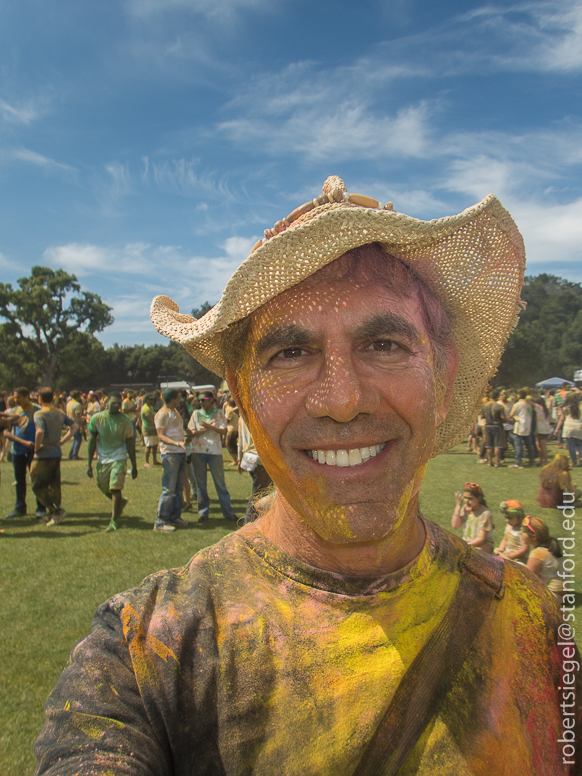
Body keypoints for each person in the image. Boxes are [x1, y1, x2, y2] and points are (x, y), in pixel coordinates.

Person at [36, 177, 581, 774]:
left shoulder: (531, 619)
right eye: (290, 354)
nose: (342, 400)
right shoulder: (149, 652)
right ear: (240, 395)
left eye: (383, 342)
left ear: (445, 379)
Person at [87, 393, 138, 532]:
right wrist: (88, 463)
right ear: (105, 404)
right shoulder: (97, 418)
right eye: (113, 403)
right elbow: (92, 441)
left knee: (115, 488)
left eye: (118, 404)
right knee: (102, 485)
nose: (116, 406)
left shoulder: (125, 421)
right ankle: (120, 502)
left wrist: (134, 466)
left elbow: (130, 445)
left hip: (119, 458)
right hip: (103, 458)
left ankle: (114, 520)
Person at [187, 391, 237, 523]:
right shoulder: (196, 414)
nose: (202, 402)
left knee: (220, 483)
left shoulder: (219, 413)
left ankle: (228, 512)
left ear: (212, 400)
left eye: (205, 399)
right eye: (201, 400)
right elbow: (190, 431)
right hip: (198, 451)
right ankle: (203, 513)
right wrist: (204, 430)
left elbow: (224, 431)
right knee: (201, 484)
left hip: (215, 451)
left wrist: (210, 427)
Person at [31, 387, 78, 526]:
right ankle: (53, 515)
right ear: (52, 398)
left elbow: (40, 431)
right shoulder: (60, 413)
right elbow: (75, 427)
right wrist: (63, 441)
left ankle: (55, 510)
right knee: (54, 485)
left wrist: (36, 447)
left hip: (43, 455)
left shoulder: (39, 414)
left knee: (37, 485)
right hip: (56, 453)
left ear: (39, 398)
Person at [3, 387, 46, 520]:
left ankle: (41, 508)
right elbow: (6, 432)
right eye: (15, 398)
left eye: (19, 397)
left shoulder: (39, 410)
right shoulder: (11, 412)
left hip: (35, 450)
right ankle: (20, 508)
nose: (17, 400)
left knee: (37, 479)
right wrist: (22, 442)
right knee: (19, 480)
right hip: (18, 450)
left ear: (27, 396)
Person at [153, 388, 190, 532]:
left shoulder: (174, 412)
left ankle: (175, 516)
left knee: (178, 487)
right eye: (178, 398)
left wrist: (182, 440)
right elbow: (160, 435)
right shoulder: (162, 414)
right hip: (170, 454)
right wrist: (175, 443)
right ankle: (161, 521)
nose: (180, 400)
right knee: (168, 488)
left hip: (180, 452)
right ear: (173, 399)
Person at [238, 414, 273, 523]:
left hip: (248, 458)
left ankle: (260, 521)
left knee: (262, 493)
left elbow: (240, 440)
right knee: (258, 495)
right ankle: (248, 523)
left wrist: (239, 459)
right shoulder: (260, 415)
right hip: (259, 459)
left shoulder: (242, 417)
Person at [522, 516, 565, 605]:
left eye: (524, 532)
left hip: (550, 598)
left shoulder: (538, 553)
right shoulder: (550, 547)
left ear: (533, 537)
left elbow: (527, 578)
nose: (522, 534)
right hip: (560, 596)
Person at [451, 482, 494, 553]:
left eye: (470, 499)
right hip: (468, 544)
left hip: (482, 546)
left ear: (479, 498)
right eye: (465, 498)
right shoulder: (466, 509)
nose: (467, 501)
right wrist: (458, 506)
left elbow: (481, 538)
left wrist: (466, 545)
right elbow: (455, 525)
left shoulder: (486, 514)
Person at [509, 388, 535, 468]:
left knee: (518, 445)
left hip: (520, 426)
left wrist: (515, 417)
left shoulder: (518, 404)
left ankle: (518, 462)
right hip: (527, 426)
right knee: (528, 445)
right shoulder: (529, 405)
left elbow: (511, 414)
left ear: (519, 395)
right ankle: (531, 461)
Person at [481, 388, 505, 467]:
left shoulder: (485, 406)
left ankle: (490, 462)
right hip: (497, 426)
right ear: (497, 397)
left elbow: (482, 416)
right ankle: (497, 462)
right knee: (497, 445)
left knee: (489, 445)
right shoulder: (499, 406)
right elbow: (503, 417)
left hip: (488, 425)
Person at [561, 391, 582, 467]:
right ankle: (581, 458)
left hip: (568, 428)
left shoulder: (565, 408)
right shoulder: (581, 407)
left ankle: (574, 462)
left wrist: (556, 429)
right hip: (579, 427)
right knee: (580, 444)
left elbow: (562, 419)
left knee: (571, 446)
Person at [140, 393, 160, 468]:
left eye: (153, 399)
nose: (152, 401)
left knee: (154, 445)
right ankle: (146, 462)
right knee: (148, 446)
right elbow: (151, 420)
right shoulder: (146, 408)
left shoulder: (150, 407)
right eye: (151, 399)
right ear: (146, 400)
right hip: (148, 429)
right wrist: (158, 428)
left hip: (153, 429)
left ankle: (154, 460)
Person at [66, 390, 84, 460]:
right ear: (78, 396)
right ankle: (74, 455)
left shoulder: (69, 403)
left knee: (75, 439)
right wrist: (81, 426)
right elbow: (78, 416)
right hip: (76, 424)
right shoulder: (77, 404)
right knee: (78, 439)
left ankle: (71, 454)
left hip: (70, 424)